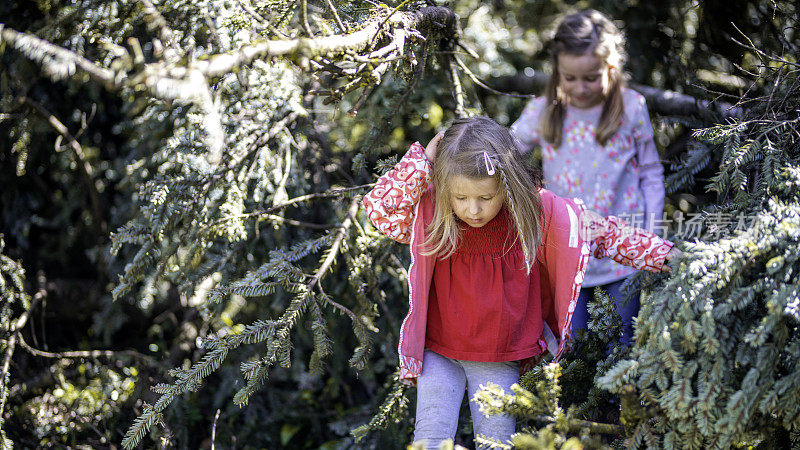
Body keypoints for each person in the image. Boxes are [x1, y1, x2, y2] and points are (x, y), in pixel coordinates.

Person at [363, 116, 678, 449]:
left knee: (495, 442)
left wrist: (666, 256)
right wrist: (423, 161)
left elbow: (604, 234)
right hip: (439, 352)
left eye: (485, 198)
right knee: (429, 438)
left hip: (499, 357)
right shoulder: (434, 210)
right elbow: (381, 210)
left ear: (506, 182)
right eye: (461, 198)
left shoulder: (537, 213)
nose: (472, 209)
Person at [510, 9, 666, 344]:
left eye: (591, 77)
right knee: (573, 346)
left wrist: (651, 235)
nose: (580, 88)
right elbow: (507, 150)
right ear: (557, 72)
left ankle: (624, 399)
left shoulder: (631, 107)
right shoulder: (544, 111)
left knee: (623, 345)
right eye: (570, 78)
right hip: (568, 251)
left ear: (611, 68)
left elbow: (651, 173)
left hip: (624, 250)